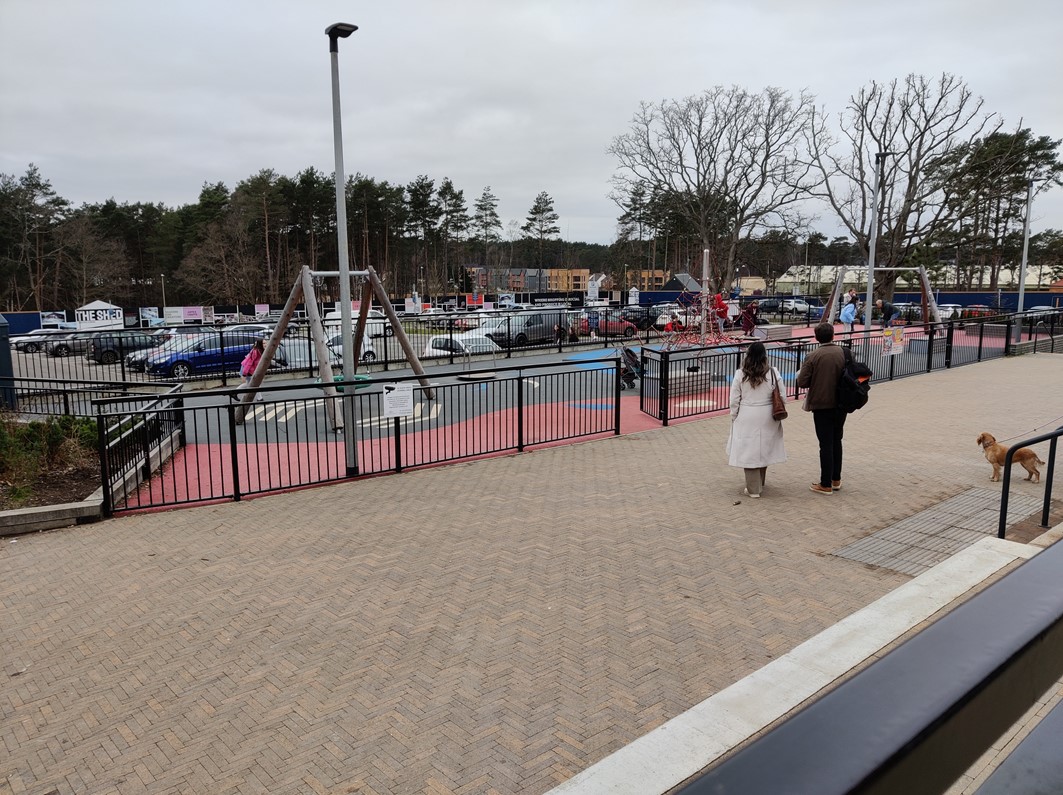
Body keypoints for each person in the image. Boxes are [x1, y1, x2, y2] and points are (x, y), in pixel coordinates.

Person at [726, 341, 786, 498]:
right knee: (764, 447)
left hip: (747, 413)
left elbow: (734, 399)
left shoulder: (741, 374)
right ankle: (760, 482)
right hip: (768, 415)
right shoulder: (773, 373)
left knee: (749, 451)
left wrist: (734, 415)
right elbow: (783, 397)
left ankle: (754, 489)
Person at [796, 323, 847, 494]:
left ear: (817, 337)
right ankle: (836, 478)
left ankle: (825, 484)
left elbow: (802, 381)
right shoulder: (845, 353)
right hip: (841, 403)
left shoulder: (813, 356)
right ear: (833, 335)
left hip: (821, 404)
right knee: (837, 440)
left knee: (825, 444)